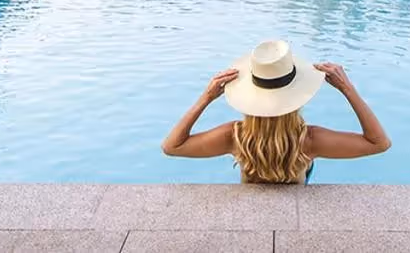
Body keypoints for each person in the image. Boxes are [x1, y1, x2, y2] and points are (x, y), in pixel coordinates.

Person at [161, 39, 391, 184]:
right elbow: (379, 143)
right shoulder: (310, 140)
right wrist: (347, 89)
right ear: (296, 97)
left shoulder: (235, 137)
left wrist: (206, 97)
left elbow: (171, 147)